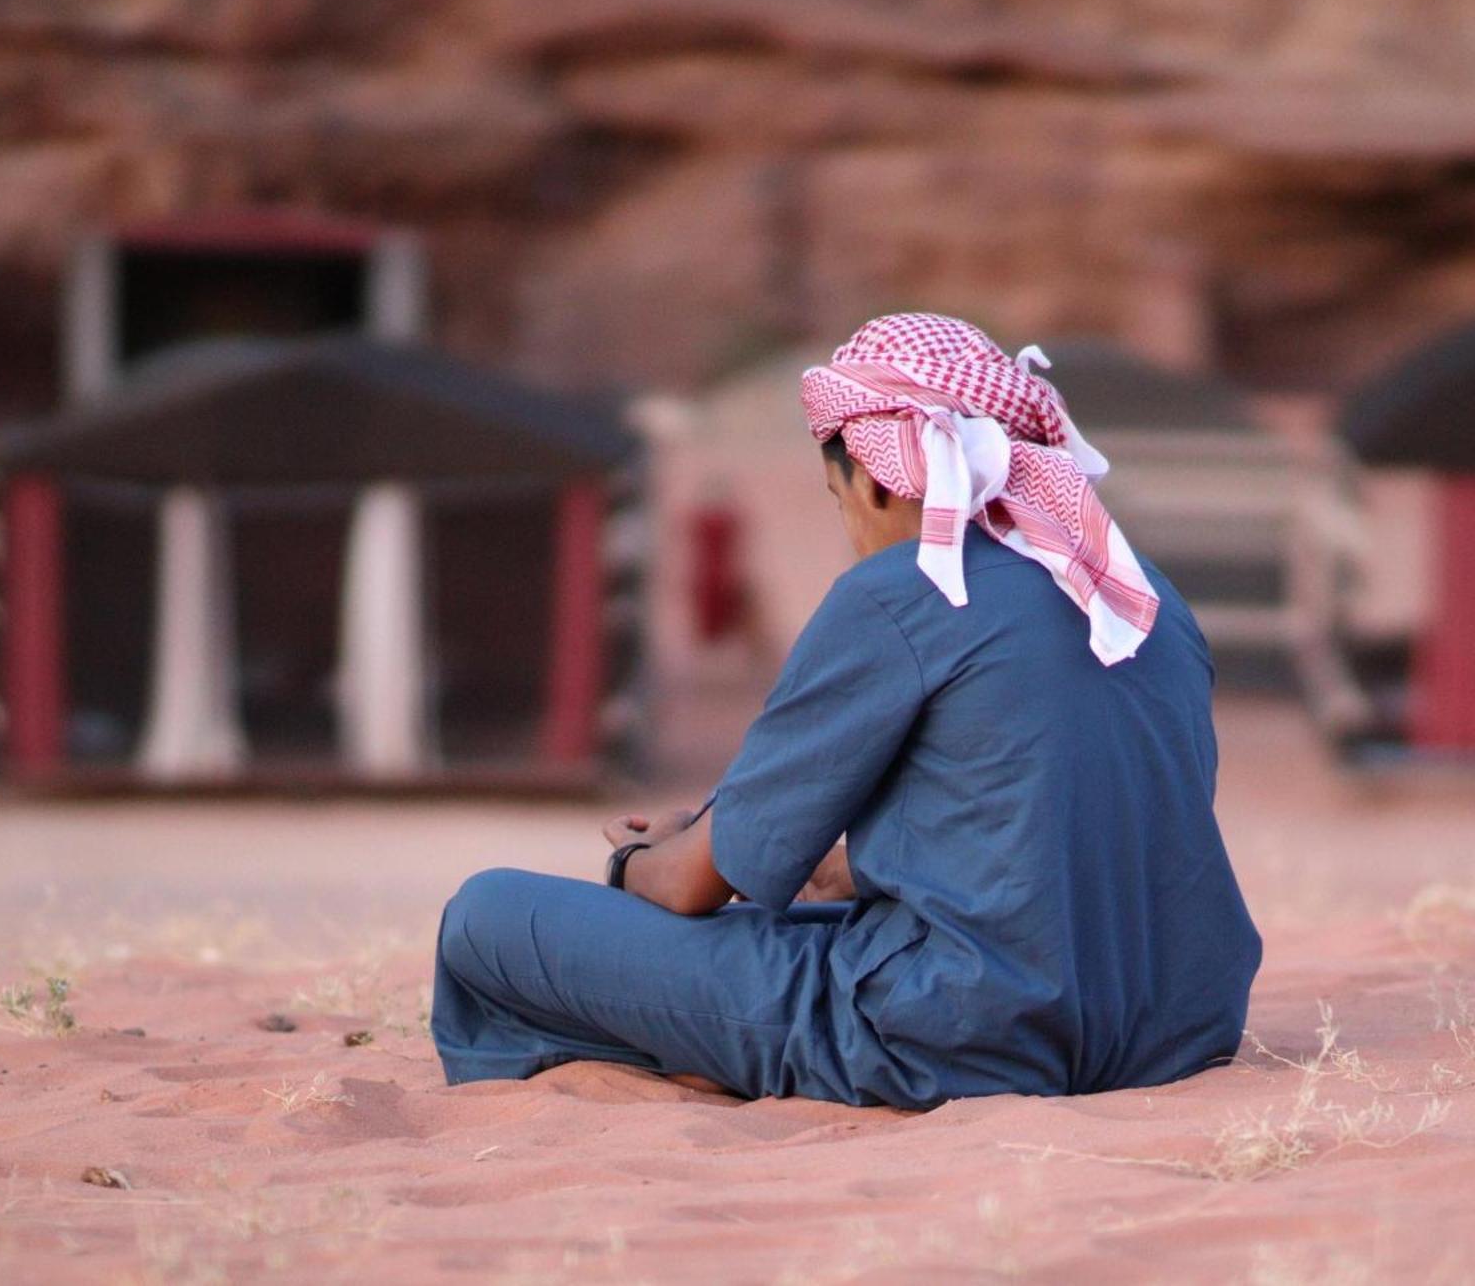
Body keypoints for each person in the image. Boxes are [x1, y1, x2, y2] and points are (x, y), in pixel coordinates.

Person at [431, 313, 1263, 1108]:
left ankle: (667, 1056)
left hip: (960, 1033)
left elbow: (689, 889)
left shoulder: (899, 591)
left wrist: (636, 864)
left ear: (871, 477)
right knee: (789, 914)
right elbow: (1049, 830)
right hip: (1173, 1025)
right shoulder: (1138, 591)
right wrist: (798, 861)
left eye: (838, 502)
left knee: (486, 916)